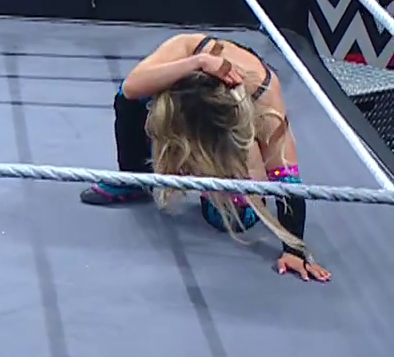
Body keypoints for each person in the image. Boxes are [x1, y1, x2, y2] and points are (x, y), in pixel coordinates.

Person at [83, 32, 331, 282]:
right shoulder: (188, 47)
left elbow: (287, 180)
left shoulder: (265, 101)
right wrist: (197, 63)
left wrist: (294, 251)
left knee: (228, 219)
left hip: (233, 147)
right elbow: (131, 88)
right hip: (193, 89)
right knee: (129, 98)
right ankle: (134, 178)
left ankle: (229, 178)